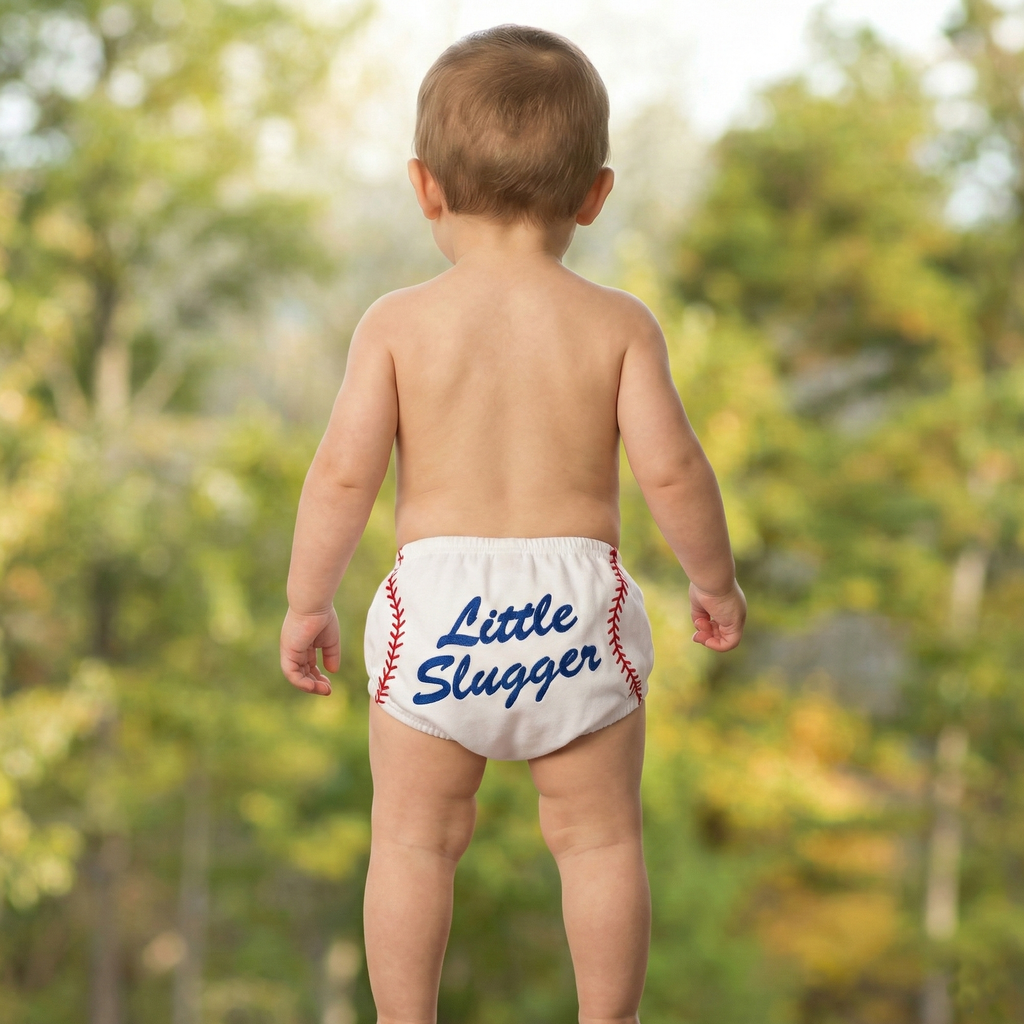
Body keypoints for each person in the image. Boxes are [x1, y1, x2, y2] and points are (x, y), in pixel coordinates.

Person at [280, 23, 745, 1024]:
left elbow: (342, 474)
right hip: (574, 607)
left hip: (439, 610)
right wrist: (713, 581)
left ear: (424, 187)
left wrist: (306, 600)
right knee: (597, 840)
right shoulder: (618, 324)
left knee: (412, 840)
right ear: (594, 194)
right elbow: (671, 469)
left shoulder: (397, 325)